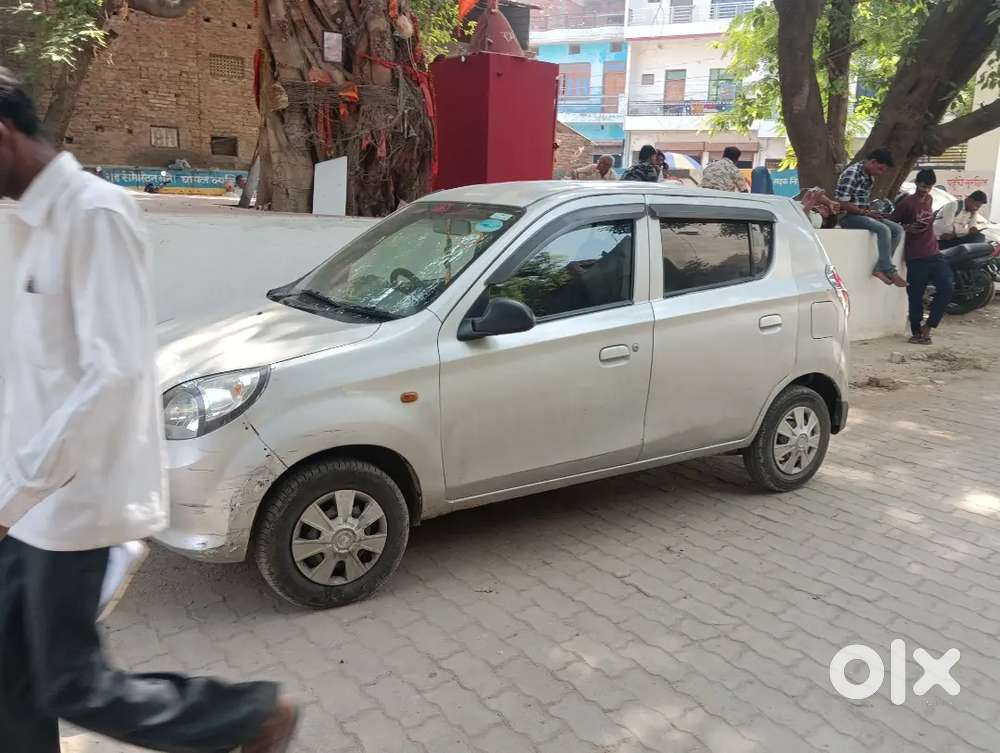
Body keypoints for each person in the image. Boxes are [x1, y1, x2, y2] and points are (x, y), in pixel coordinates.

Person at [0, 69, 298, 753]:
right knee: (10, 677)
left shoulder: (95, 216)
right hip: (21, 499)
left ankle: (249, 715)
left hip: (75, 504)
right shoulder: (23, 224)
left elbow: (113, 377)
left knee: (71, 684)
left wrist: (12, 497)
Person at [891, 169, 953, 344]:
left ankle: (929, 326)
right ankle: (916, 332)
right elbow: (893, 222)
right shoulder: (907, 203)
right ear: (917, 183)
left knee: (947, 287)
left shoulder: (929, 199)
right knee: (915, 296)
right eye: (923, 186)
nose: (925, 190)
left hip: (934, 252)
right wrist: (907, 228)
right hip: (916, 256)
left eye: (929, 187)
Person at [836, 147, 907, 287]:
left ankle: (879, 268)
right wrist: (866, 213)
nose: (880, 173)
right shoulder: (852, 173)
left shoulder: (869, 177)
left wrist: (872, 212)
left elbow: (862, 202)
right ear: (873, 162)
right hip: (847, 217)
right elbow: (842, 203)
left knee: (897, 230)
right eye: (880, 169)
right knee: (883, 229)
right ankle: (889, 270)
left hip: (862, 214)